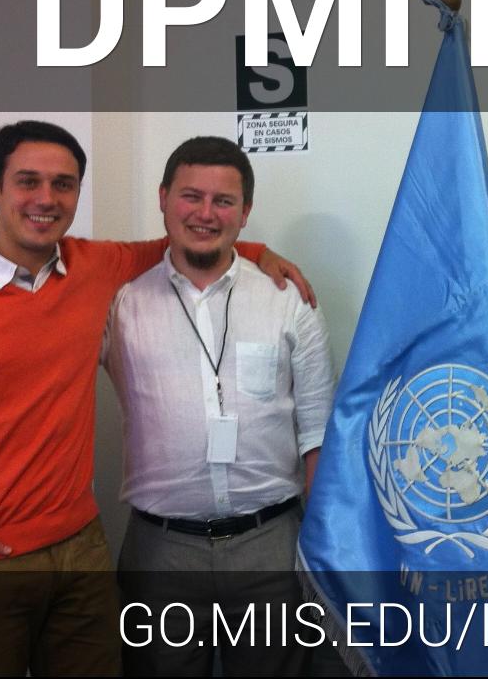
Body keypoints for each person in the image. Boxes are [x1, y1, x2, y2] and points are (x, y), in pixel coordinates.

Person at [0, 121, 311, 676]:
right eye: (28, 181)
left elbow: (190, 241)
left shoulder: (91, 268)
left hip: (81, 549)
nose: (46, 198)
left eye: (63, 184)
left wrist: (258, 251)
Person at [105, 136, 333, 676]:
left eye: (223, 201)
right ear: (163, 199)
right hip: (160, 555)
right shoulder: (120, 303)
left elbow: (318, 433)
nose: (205, 213)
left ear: (245, 212)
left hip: (270, 548)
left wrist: (321, 545)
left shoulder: (287, 299)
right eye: (191, 196)